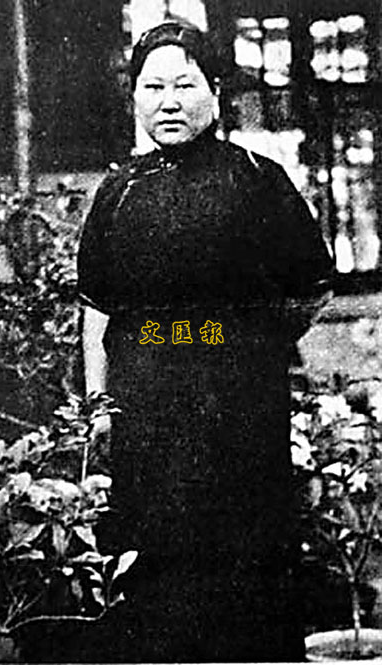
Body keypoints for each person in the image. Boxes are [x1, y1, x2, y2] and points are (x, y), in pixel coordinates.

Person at [77, 19, 333, 662]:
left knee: (249, 587)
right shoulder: (117, 194)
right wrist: (100, 406)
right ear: (134, 96)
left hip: (243, 421)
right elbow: (98, 312)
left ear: (215, 92)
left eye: (185, 84)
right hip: (147, 423)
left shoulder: (259, 181)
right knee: (158, 586)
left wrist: (247, 348)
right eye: (153, 86)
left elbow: (308, 291)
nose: (169, 102)